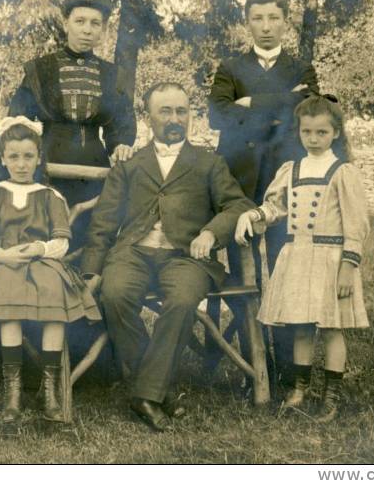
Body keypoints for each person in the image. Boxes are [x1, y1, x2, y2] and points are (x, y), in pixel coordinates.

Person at [0, 0, 137, 379]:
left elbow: (121, 123)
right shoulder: (39, 70)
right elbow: (18, 122)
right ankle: (27, 367)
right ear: (65, 24)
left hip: (94, 176)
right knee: (38, 254)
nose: (87, 30)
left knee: (87, 257)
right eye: (80, 22)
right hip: (46, 173)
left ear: (103, 29)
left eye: (95, 24)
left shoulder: (113, 74)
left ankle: (95, 366)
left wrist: (119, 147)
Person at [82, 83, 255, 432]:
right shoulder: (130, 164)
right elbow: (103, 222)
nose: (175, 119)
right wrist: (91, 272)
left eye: (181, 111)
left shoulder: (209, 162)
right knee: (114, 295)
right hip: (133, 252)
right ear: (149, 117)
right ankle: (154, 390)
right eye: (165, 112)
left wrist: (210, 232)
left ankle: (143, 392)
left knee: (182, 299)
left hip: (187, 256)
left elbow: (238, 205)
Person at [0, 120, 101, 423]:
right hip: (1, 263)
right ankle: (12, 394)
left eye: (28, 156)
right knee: (9, 299)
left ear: (39, 158)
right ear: (2, 159)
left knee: (55, 295)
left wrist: (40, 249)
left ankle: (51, 391)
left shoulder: (49, 195)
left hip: (42, 263)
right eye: (14, 157)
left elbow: (61, 241)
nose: (22, 164)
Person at [208, 0, 320, 393]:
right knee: (244, 279)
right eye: (258, 18)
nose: (266, 27)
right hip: (240, 184)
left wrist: (249, 103)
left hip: (285, 182)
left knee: (287, 271)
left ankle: (291, 372)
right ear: (247, 22)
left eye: (274, 18)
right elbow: (217, 115)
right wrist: (277, 106)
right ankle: (255, 369)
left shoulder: (300, 67)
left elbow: (307, 109)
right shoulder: (230, 66)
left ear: (285, 21)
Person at [235, 95, 370, 422]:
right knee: (300, 326)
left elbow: (356, 225)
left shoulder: (342, 171)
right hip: (298, 256)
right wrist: (252, 215)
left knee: (331, 327)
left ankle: (331, 394)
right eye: (307, 132)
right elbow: (275, 207)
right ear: (299, 132)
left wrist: (347, 268)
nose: (313, 139)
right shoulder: (291, 169)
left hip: (331, 259)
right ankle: (299, 388)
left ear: (335, 133)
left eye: (321, 132)